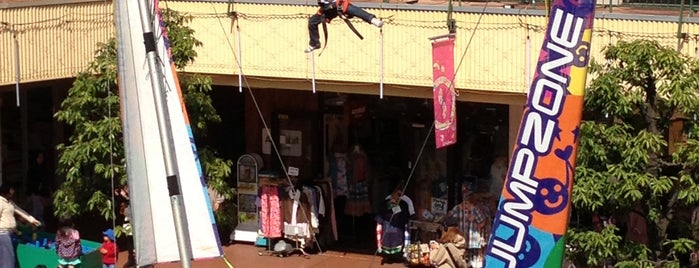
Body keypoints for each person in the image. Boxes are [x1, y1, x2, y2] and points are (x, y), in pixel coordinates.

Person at [305, 0, 384, 53]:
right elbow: (323, 6)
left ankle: (372, 20)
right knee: (312, 21)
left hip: (340, 5)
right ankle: (314, 43)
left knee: (354, 10)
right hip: (327, 11)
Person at [0, 183, 41, 268]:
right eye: (11, 190)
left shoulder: (10, 202)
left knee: (7, 257)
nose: (13, 192)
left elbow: (20, 211)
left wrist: (32, 220)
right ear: (5, 192)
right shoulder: (0, 202)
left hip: (9, 233)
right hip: (2, 233)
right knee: (8, 259)